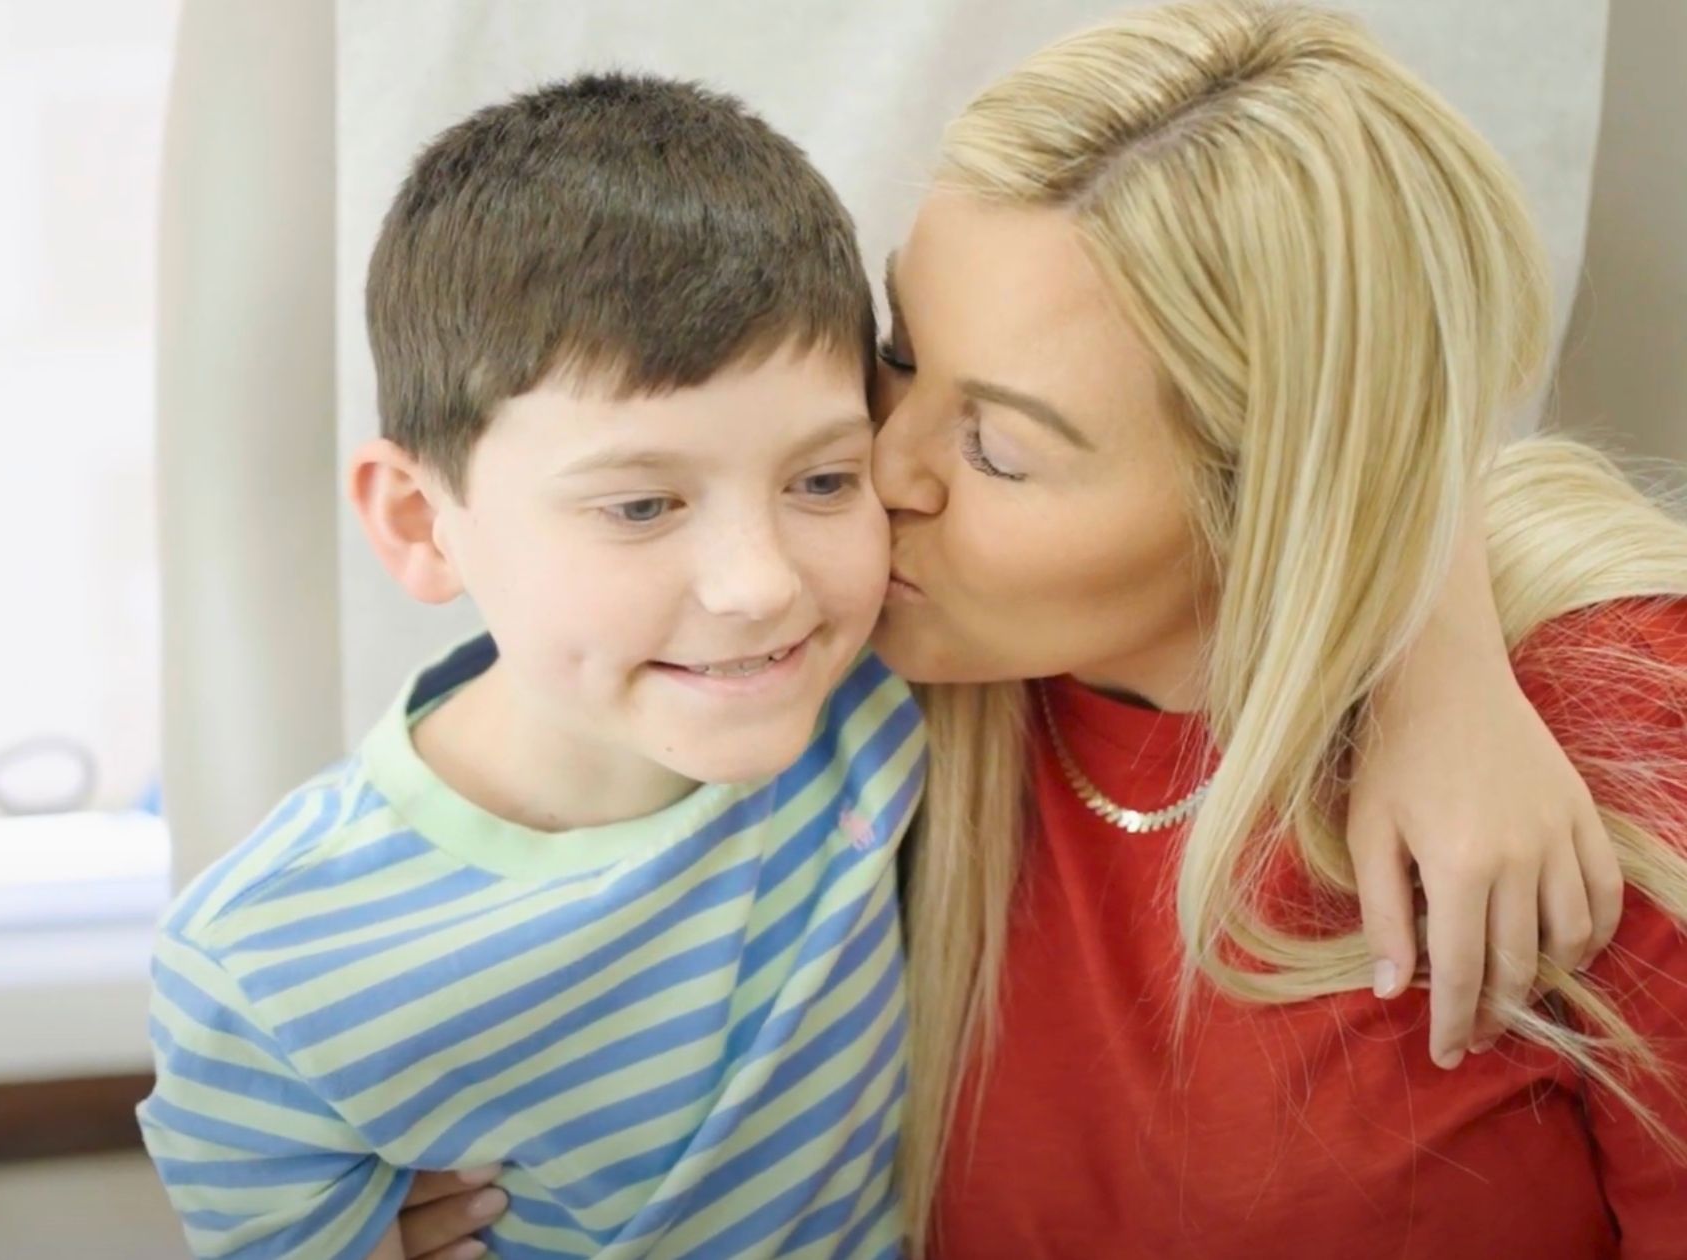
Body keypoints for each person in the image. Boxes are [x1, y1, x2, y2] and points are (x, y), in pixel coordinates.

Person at [146, 53, 1613, 1260]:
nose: (765, 577)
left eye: (824, 476)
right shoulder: (271, 976)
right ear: (418, 519)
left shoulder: (860, 704)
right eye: (898, 359)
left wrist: (1439, 661)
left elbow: (1362, 429)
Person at [866, 2, 1687, 1255]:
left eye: (995, 448)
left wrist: (1437, 646)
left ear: (1263, 496)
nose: (880, 464)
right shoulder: (867, 677)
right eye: (895, 352)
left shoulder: (1613, 730)